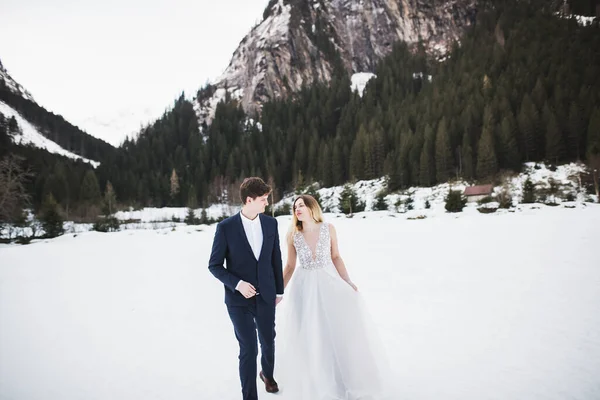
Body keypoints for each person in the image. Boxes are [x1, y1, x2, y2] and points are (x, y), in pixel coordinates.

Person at [277, 194, 394, 400]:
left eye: (301, 205)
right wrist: (279, 291)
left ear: (312, 207)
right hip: (303, 288)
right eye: (295, 207)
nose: (297, 209)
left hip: (328, 283)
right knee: (310, 333)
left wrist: (347, 282)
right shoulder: (293, 235)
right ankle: (315, 381)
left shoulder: (328, 229)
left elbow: (336, 257)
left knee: (334, 331)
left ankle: (341, 380)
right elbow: (289, 266)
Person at [208, 177, 284, 400]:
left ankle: (267, 375)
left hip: (266, 296)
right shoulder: (225, 228)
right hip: (238, 301)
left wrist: (278, 290)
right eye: (263, 199)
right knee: (249, 349)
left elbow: (275, 259)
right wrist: (238, 284)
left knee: (268, 341)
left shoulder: (271, 224)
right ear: (249, 200)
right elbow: (214, 265)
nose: (266, 203)